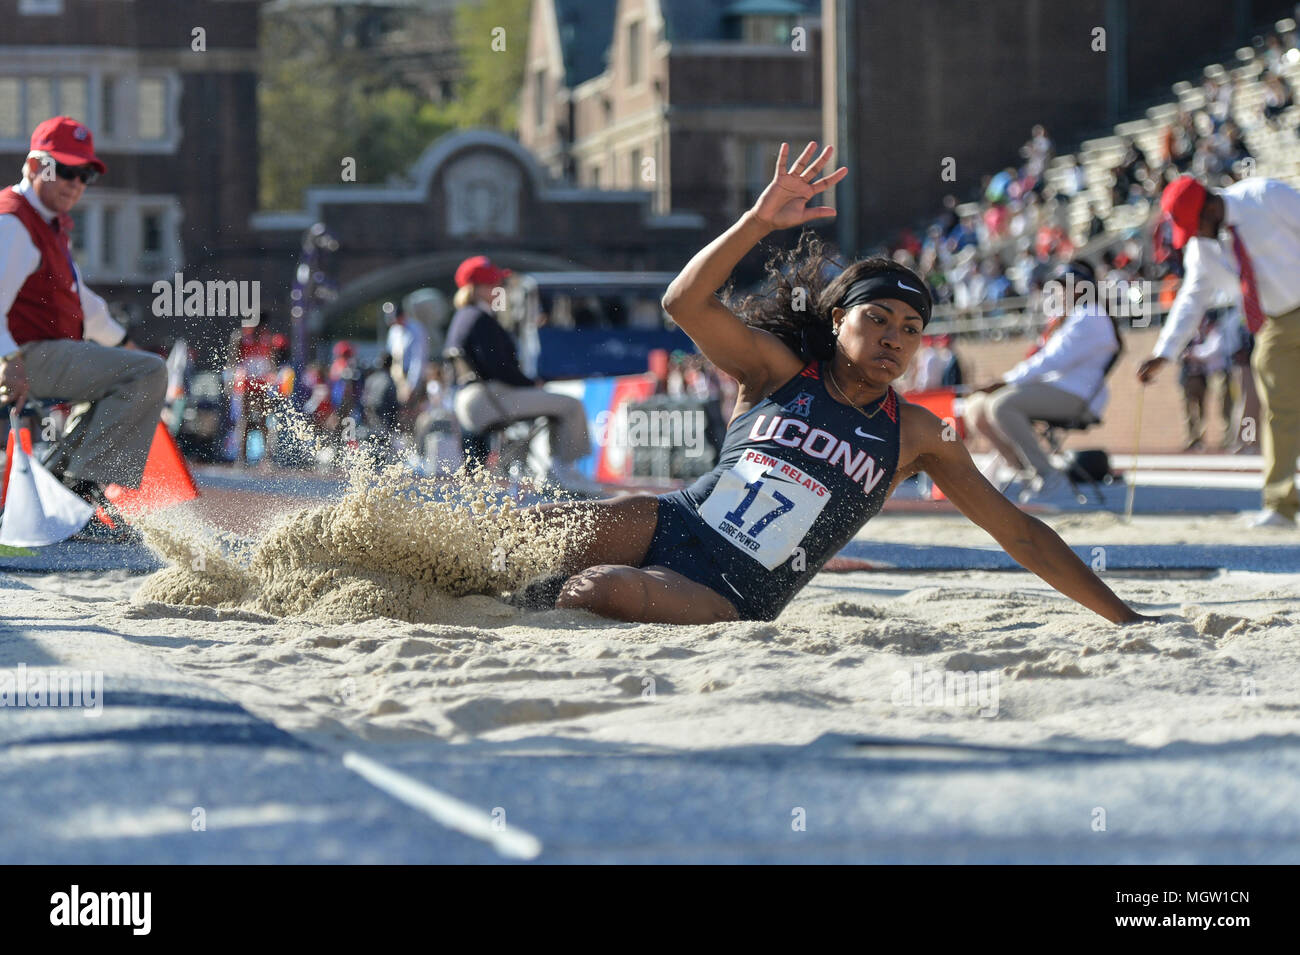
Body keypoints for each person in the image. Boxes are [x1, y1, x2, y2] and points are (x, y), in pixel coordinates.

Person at [512, 141, 1155, 626]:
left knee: (594, 590)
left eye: (909, 328)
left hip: (736, 590)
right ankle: (446, 586)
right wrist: (758, 223)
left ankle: (527, 602)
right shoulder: (775, 370)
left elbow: (1018, 533)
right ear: (837, 319)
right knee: (530, 535)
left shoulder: (918, 433)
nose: (893, 338)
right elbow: (684, 303)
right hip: (676, 522)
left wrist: (1126, 618)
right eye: (876, 319)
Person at [0, 116, 166, 503]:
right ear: (35, 166)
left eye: (86, 174)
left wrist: (125, 347)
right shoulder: (13, 223)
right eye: (67, 170)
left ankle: (61, 492)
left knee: (138, 374)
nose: (76, 184)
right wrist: (9, 358)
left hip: (35, 353)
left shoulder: (47, 223)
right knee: (148, 374)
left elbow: (86, 306)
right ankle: (78, 491)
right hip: (22, 354)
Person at [1138, 175, 1300, 528]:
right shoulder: (1202, 248)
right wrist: (1164, 352)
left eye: (1195, 226)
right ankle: (1282, 503)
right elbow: (1191, 298)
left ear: (1210, 206)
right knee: (1279, 405)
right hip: (1276, 324)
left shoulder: (1266, 196)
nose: (1193, 236)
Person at [964, 260, 1122, 500]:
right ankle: (1027, 473)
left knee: (1001, 404)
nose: (1059, 293)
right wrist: (1005, 382)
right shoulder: (1073, 318)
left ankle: (1048, 475)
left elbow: (1051, 361)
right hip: (1055, 389)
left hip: (1076, 396)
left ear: (1082, 288)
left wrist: (1006, 381)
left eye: (1065, 287)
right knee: (976, 407)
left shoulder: (1090, 316)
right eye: (1058, 287)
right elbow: (1046, 361)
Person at [442, 255, 598, 493]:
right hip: (488, 397)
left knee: (555, 408)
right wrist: (531, 383)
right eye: (495, 284)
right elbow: (498, 367)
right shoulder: (480, 318)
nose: (500, 289)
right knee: (571, 405)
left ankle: (553, 471)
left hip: (470, 399)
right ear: (479, 288)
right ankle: (563, 473)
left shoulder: (463, 316)